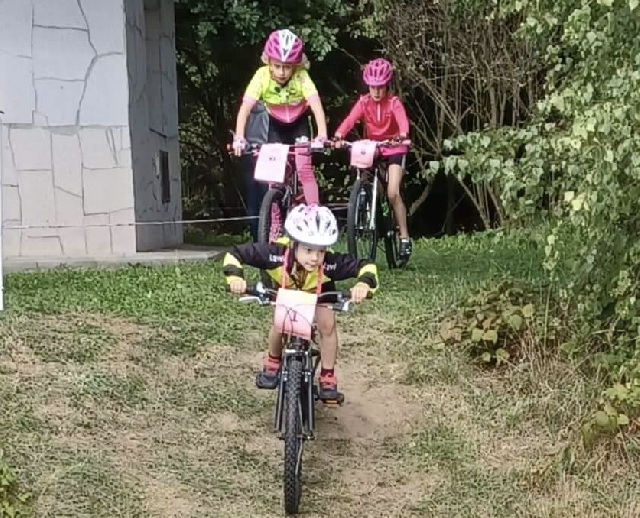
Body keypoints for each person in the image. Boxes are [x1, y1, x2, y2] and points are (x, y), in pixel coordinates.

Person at [223, 204, 378, 400]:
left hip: (320, 291)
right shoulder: (275, 254)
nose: (315, 258)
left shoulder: (329, 262)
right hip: (287, 288)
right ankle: (273, 361)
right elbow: (235, 253)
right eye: (308, 250)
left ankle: (327, 375)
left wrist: (363, 284)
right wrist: (235, 278)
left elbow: (366, 266)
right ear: (293, 244)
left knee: (327, 325)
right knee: (279, 322)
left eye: (321, 251)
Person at [232, 29, 328, 207]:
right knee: (274, 174)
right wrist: (239, 137)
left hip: (298, 124)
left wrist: (322, 134)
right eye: (277, 66)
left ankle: (314, 212)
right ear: (268, 62)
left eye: (287, 67)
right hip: (275, 125)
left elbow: (316, 105)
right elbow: (245, 108)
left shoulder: (301, 76)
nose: (282, 72)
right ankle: (274, 220)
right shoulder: (261, 76)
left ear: (296, 66)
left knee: (304, 168)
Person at [333, 58, 413, 261]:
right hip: (374, 147)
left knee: (393, 192)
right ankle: (366, 199)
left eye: (380, 87)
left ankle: (404, 236)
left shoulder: (393, 103)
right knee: (363, 177)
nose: (376, 91)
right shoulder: (363, 102)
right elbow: (350, 120)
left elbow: (403, 123)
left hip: (394, 147)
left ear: (387, 85)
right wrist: (339, 136)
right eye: (373, 87)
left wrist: (403, 135)